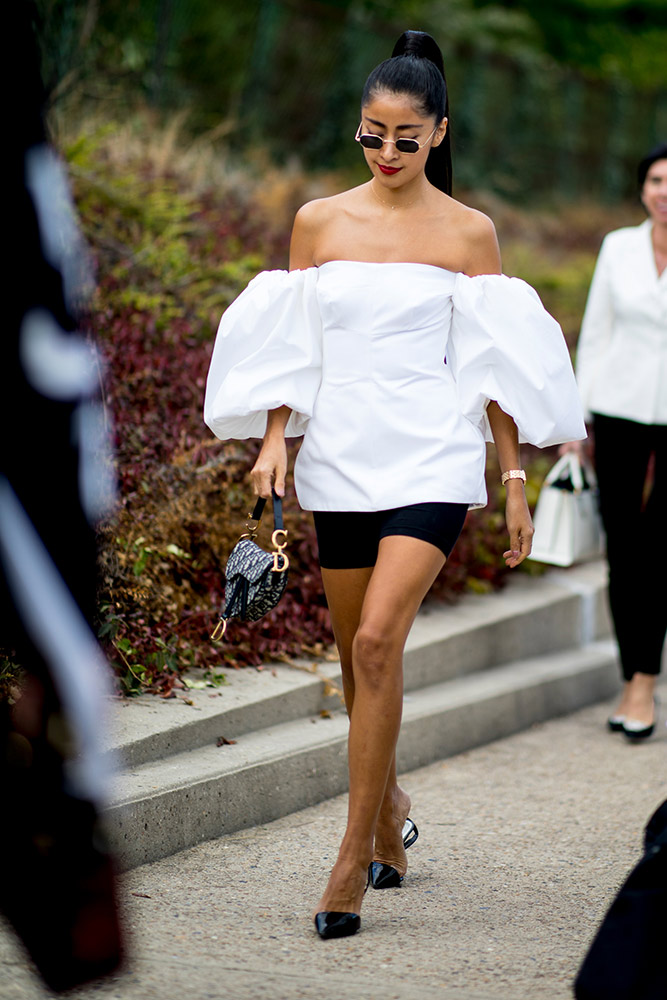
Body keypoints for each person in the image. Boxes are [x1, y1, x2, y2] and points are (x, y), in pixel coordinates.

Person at [204, 30, 585, 939]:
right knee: (352, 660)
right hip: (337, 456)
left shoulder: (467, 232)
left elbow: (491, 363)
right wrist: (274, 443)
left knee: (377, 641)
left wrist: (513, 478)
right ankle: (388, 810)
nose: (384, 154)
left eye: (404, 140)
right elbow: (289, 343)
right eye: (370, 135)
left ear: (439, 134)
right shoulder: (319, 221)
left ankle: (347, 862)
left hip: (429, 456)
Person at [562, 143, 667, 742]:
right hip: (618, 412)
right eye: (655, 179)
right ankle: (636, 679)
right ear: (642, 187)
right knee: (626, 551)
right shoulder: (617, 248)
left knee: (662, 548)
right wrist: (575, 427)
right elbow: (595, 335)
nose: (664, 191)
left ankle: (646, 682)